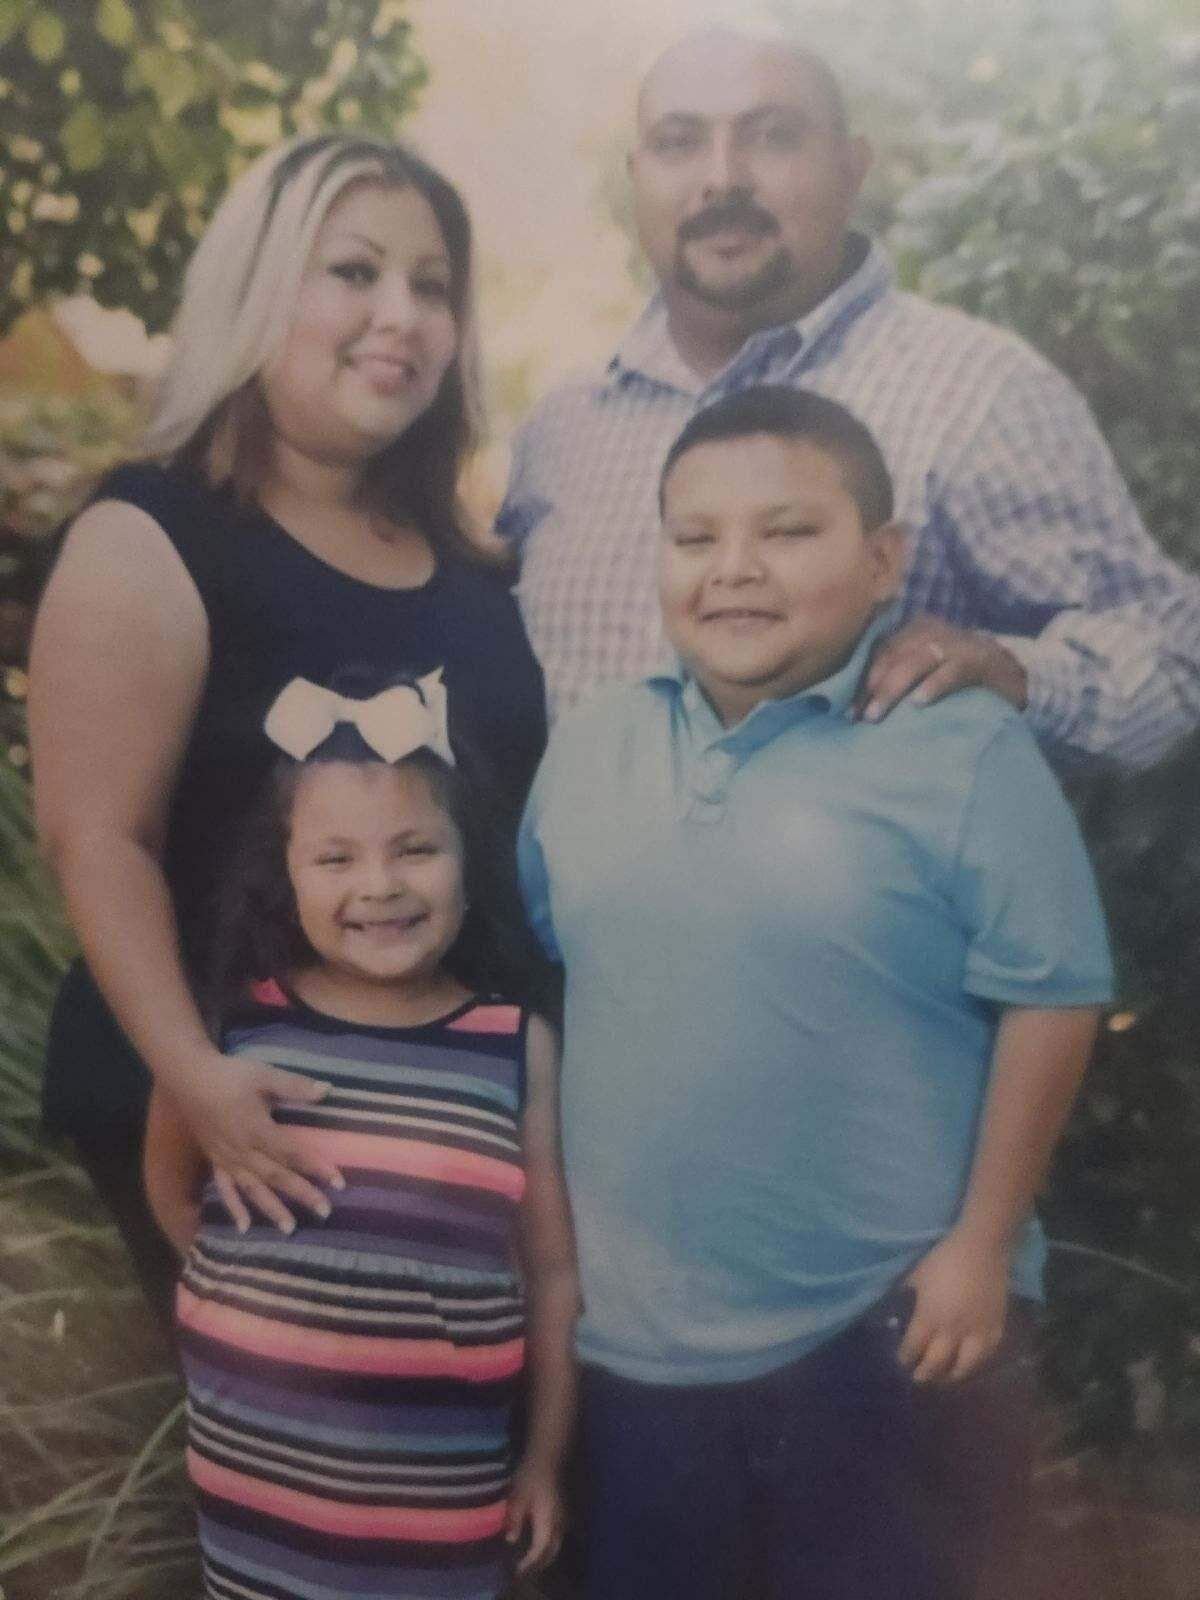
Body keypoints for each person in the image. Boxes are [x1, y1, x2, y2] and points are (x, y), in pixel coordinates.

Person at [517, 386, 1114, 1599]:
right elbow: (575, 968)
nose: (735, 569)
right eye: (696, 539)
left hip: (887, 1333)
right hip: (639, 1353)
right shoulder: (589, 753)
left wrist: (982, 1242)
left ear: (885, 560)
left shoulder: (962, 748)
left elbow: (1056, 995)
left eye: (788, 531)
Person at [29, 135, 546, 1320]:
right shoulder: (152, 537)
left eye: (432, 286)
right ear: (257, 292)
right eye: (355, 272)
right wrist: (197, 1076)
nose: (401, 315)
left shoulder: (473, 567)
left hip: (443, 1107)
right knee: (315, 1460)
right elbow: (97, 838)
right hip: (237, 1111)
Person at [499, 26, 1200, 766]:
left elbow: (1175, 654)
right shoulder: (561, 434)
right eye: (679, 143)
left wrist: (1019, 673)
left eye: (772, 137)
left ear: (851, 166)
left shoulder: (976, 395)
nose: (722, 178)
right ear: (637, 175)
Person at [144, 697, 578, 1600]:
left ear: (469, 864)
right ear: (286, 873)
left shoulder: (511, 1043)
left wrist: (543, 1460)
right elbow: (171, 1189)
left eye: (415, 848)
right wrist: (250, 1296)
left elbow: (550, 1273)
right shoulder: (231, 1032)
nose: (378, 886)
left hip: (437, 1499)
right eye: (335, 858)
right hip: (258, 1494)